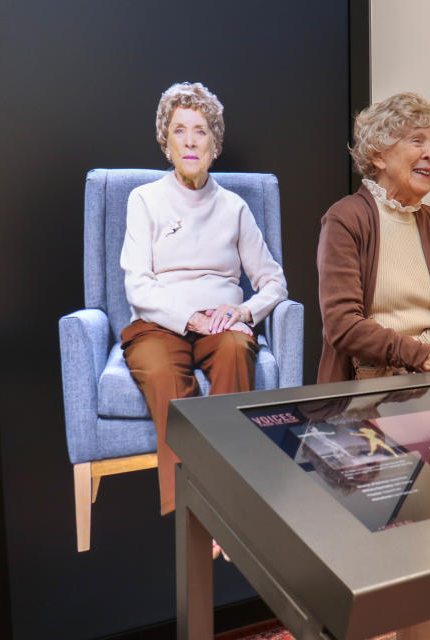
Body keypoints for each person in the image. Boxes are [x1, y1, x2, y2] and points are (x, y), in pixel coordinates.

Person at [316, 91, 430, 639]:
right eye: (416, 140)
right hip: (363, 405)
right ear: (377, 153)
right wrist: (424, 353)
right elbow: (341, 327)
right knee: (372, 563)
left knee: (426, 556)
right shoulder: (346, 219)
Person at [120, 82, 287, 517]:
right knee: (163, 375)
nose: (190, 141)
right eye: (180, 131)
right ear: (166, 142)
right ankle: (193, 511)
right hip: (159, 324)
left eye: (200, 131)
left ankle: (231, 504)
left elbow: (274, 282)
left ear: (215, 144)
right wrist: (189, 317)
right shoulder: (145, 200)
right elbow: (138, 286)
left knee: (236, 347)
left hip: (221, 323)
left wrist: (244, 310)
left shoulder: (234, 207)